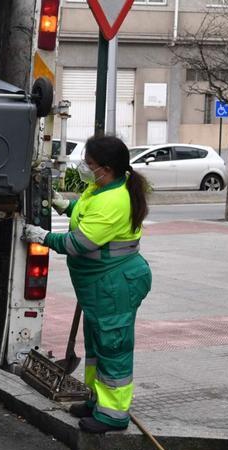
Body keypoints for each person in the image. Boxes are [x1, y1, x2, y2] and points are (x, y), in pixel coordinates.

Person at [22, 135, 152, 433]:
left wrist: (42, 237)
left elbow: (79, 243)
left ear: (105, 168)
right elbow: (84, 212)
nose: (84, 167)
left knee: (113, 347)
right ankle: (97, 400)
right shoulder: (105, 187)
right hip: (103, 284)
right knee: (97, 345)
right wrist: (62, 205)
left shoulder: (113, 200)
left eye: (89, 163)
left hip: (115, 284)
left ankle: (114, 415)